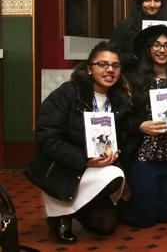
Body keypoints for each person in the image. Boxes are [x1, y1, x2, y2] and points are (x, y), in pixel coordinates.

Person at [25, 42, 130, 244]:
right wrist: (84, 160)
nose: (110, 69)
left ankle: (76, 207)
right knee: (115, 175)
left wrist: (113, 151)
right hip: (63, 167)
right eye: (102, 64)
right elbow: (47, 138)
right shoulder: (68, 93)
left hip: (93, 168)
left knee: (106, 226)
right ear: (89, 69)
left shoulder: (118, 99)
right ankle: (59, 215)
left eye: (115, 66)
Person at [117, 26, 167, 228]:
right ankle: (112, 207)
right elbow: (121, 118)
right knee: (144, 220)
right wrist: (141, 126)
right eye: (157, 44)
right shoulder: (133, 80)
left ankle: (142, 200)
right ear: (148, 48)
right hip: (143, 158)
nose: (162, 50)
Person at [111, 0, 167, 75]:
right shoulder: (124, 26)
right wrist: (135, 56)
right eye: (147, 0)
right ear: (140, 2)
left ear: (161, 3)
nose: (152, 5)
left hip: (163, 80)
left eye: (157, 0)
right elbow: (112, 56)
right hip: (132, 80)